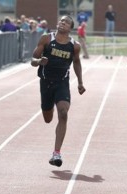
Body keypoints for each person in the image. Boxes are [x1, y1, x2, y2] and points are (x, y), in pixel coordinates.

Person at [31, 15, 86, 167]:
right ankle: (49, 106)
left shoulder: (74, 46)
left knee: (63, 113)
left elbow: (76, 62)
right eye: (61, 20)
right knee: (48, 118)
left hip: (62, 83)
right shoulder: (46, 39)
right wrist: (39, 61)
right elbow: (33, 59)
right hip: (46, 83)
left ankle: (56, 153)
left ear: (71, 28)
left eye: (66, 22)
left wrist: (80, 83)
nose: (62, 23)